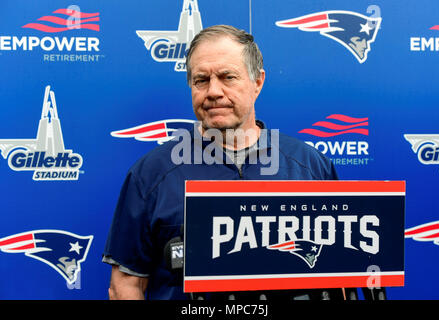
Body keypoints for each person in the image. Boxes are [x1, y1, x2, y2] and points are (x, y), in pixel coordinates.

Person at [103, 25, 340, 300]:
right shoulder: (151, 174)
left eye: (228, 77)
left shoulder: (308, 166)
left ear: (257, 82)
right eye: (201, 80)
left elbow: (339, 276)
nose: (213, 91)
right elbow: (126, 286)